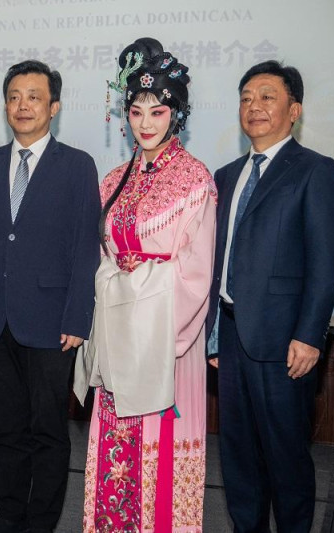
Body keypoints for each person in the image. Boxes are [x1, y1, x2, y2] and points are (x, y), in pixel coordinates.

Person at [74, 37, 216, 532]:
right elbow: (99, 255)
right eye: (137, 111)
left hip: (164, 341)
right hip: (118, 336)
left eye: (158, 112)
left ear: (176, 114)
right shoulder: (112, 179)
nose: (146, 122)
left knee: (161, 452)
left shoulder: (196, 179)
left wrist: (145, 309)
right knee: (116, 451)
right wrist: (115, 289)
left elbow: (197, 273)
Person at [0, 60, 100, 533]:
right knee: (8, 430)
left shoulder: (77, 166)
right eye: (15, 96)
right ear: (5, 105)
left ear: (53, 107)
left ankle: (40, 522)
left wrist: (79, 317)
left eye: (34, 96)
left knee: (48, 431)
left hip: (52, 322)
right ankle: (11, 513)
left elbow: (84, 249)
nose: (23, 105)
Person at [207, 60, 334, 532]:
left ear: (294, 110)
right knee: (239, 461)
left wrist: (310, 335)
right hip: (230, 336)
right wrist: (212, 337)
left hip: (286, 343)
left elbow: (326, 262)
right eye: (246, 98)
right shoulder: (224, 176)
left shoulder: (315, 171)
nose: (254, 106)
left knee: (286, 460)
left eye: (267, 96)